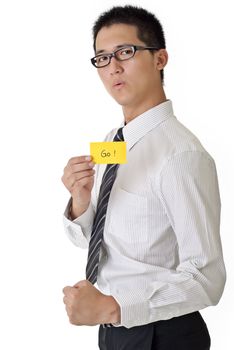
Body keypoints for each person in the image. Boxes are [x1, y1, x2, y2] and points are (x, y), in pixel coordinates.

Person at [61, 5, 226, 350]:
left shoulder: (182, 156)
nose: (113, 67)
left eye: (126, 52)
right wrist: (80, 202)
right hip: (116, 327)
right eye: (102, 58)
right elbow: (101, 241)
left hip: (161, 333)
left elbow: (207, 278)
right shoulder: (114, 141)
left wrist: (111, 306)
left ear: (160, 58)